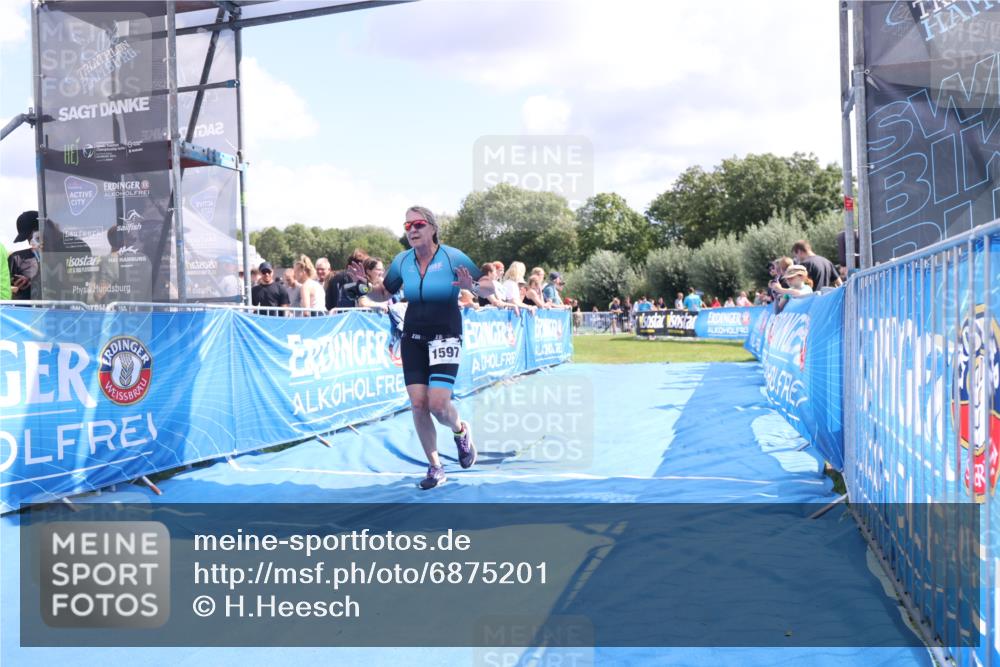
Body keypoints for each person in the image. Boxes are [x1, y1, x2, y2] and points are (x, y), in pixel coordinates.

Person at [362, 205, 495, 490]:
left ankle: (461, 431)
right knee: (419, 404)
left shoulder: (452, 256)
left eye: (418, 224)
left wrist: (472, 286)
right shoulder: (402, 261)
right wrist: (364, 288)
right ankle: (435, 466)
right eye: (407, 226)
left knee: (438, 405)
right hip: (413, 338)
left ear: (433, 228)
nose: (412, 230)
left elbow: (488, 289)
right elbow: (384, 293)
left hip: (446, 335)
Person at [8, 211, 40, 300]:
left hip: (59, 311)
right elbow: (4, 285)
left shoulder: (61, 256)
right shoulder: (16, 258)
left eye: (31, 236)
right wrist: (15, 284)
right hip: (26, 311)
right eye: (27, 239)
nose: (30, 242)